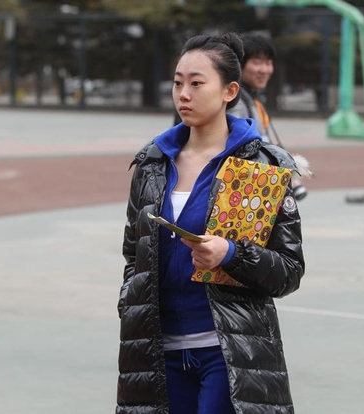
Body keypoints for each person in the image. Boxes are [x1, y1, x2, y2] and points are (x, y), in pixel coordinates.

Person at [117, 33, 305, 414]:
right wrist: (129, 303)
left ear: (229, 91)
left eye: (196, 83)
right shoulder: (152, 164)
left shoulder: (261, 167)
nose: (183, 94)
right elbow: (133, 254)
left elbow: (288, 270)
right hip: (157, 353)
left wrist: (231, 254)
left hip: (228, 352)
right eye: (177, 83)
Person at [228, 33, 310, 200]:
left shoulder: (252, 99)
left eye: (268, 63)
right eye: (257, 62)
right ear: (240, 65)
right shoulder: (236, 102)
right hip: (245, 191)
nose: (264, 69)